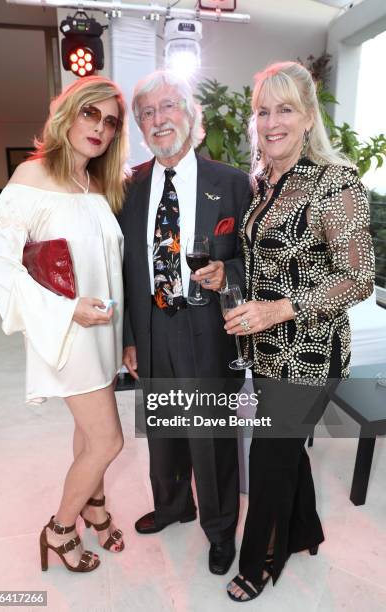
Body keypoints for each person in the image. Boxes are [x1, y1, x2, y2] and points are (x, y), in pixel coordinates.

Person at [223, 61, 375, 602]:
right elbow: (264, 264)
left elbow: (359, 279)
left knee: (268, 455)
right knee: (284, 446)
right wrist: (230, 278)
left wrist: (282, 310)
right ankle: (305, 529)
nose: (271, 122)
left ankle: (262, 559)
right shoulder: (265, 182)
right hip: (265, 350)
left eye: (285, 109)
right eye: (263, 111)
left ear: (309, 117)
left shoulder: (336, 183)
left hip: (311, 353)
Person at [0, 76, 130, 573]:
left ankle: (94, 506)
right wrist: (67, 310)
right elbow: (1, 266)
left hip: (104, 333)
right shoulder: (30, 177)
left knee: (90, 436)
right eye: (91, 113)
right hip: (69, 333)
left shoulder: (96, 184)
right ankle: (60, 528)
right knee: (109, 441)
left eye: (110, 121)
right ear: (67, 114)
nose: (101, 128)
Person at [118, 70, 251, 575]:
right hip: (151, 324)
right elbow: (124, 268)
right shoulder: (128, 186)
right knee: (163, 429)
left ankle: (219, 531)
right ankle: (174, 505)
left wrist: (230, 271)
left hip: (209, 330)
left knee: (211, 437)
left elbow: (258, 257)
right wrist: (130, 336)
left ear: (190, 113)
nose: (159, 120)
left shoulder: (233, 184)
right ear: (140, 126)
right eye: (147, 113)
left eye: (168, 107)